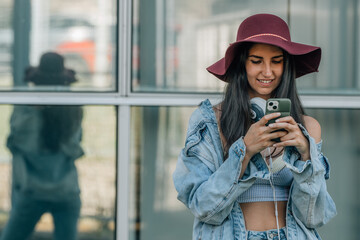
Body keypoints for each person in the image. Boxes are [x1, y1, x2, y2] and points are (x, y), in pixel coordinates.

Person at [173, 14, 336, 240]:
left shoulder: (308, 128)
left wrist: (306, 157)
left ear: (286, 65)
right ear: (242, 64)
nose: (267, 72)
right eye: (257, 61)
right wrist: (245, 151)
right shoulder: (209, 122)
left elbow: (313, 217)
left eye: (276, 61)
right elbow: (203, 207)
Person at [0, 52, 84, 240]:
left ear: (36, 81)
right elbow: (75, 147)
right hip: (66, 189)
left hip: (31, 189)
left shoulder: (25, 108)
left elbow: (15, 143)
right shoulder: (72, 108)